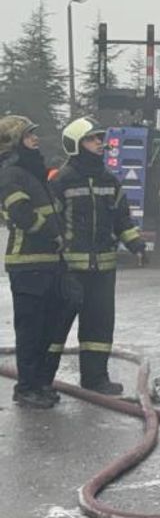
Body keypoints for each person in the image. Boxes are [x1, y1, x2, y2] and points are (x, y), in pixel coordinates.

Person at [48, 117, 146, 395]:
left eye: (99, 138)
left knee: (99, 328)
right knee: (55, 328)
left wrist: (136, 245)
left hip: (103, 270)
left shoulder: (109, 180)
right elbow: (51, 222)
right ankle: (42, 382)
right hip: (69, 270)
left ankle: (95, 379)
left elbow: (122, 219)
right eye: (92, 139)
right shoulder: (61, 181)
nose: (99, 143)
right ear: (76, 144)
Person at [0, 115, 67, 409]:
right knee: (30, 331)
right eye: (29, 135)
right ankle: (26, 388)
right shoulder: (11, 174)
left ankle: (40, 384)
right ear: (14, 141)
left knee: (45, 329)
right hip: (27, 264)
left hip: (48, 262)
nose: (35, 139)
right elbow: (22, 214)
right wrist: (53, 234)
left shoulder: (33, 172)